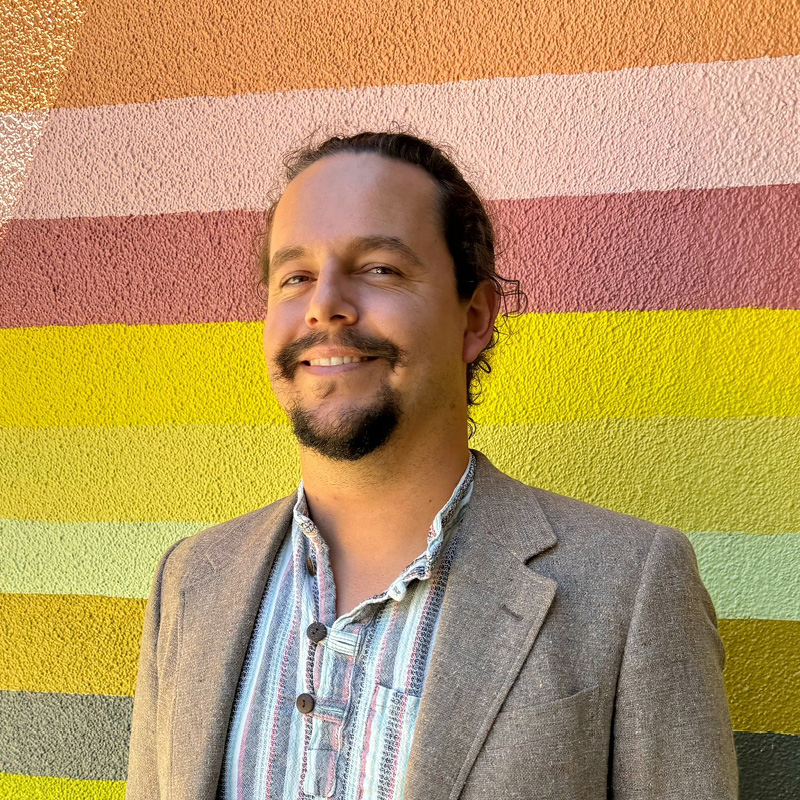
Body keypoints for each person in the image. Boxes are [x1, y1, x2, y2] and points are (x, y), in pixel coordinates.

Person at [125, 130, 738, 800]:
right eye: (295, 276)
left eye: (380, 269)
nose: (324, 304)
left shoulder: (630, 586)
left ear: (474, 318)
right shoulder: (190, 581)